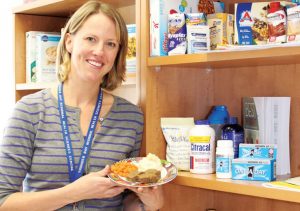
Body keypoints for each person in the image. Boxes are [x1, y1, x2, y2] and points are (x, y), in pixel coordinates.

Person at [0, 1, 164, 210]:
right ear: (69, 41)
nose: (99, 51)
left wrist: (149, 204)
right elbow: (3, 201)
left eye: (110, 44)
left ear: (117, 53)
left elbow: (125, 200)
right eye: (90, 39)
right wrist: (75, 192)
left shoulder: (130, 117)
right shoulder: (30, 111)